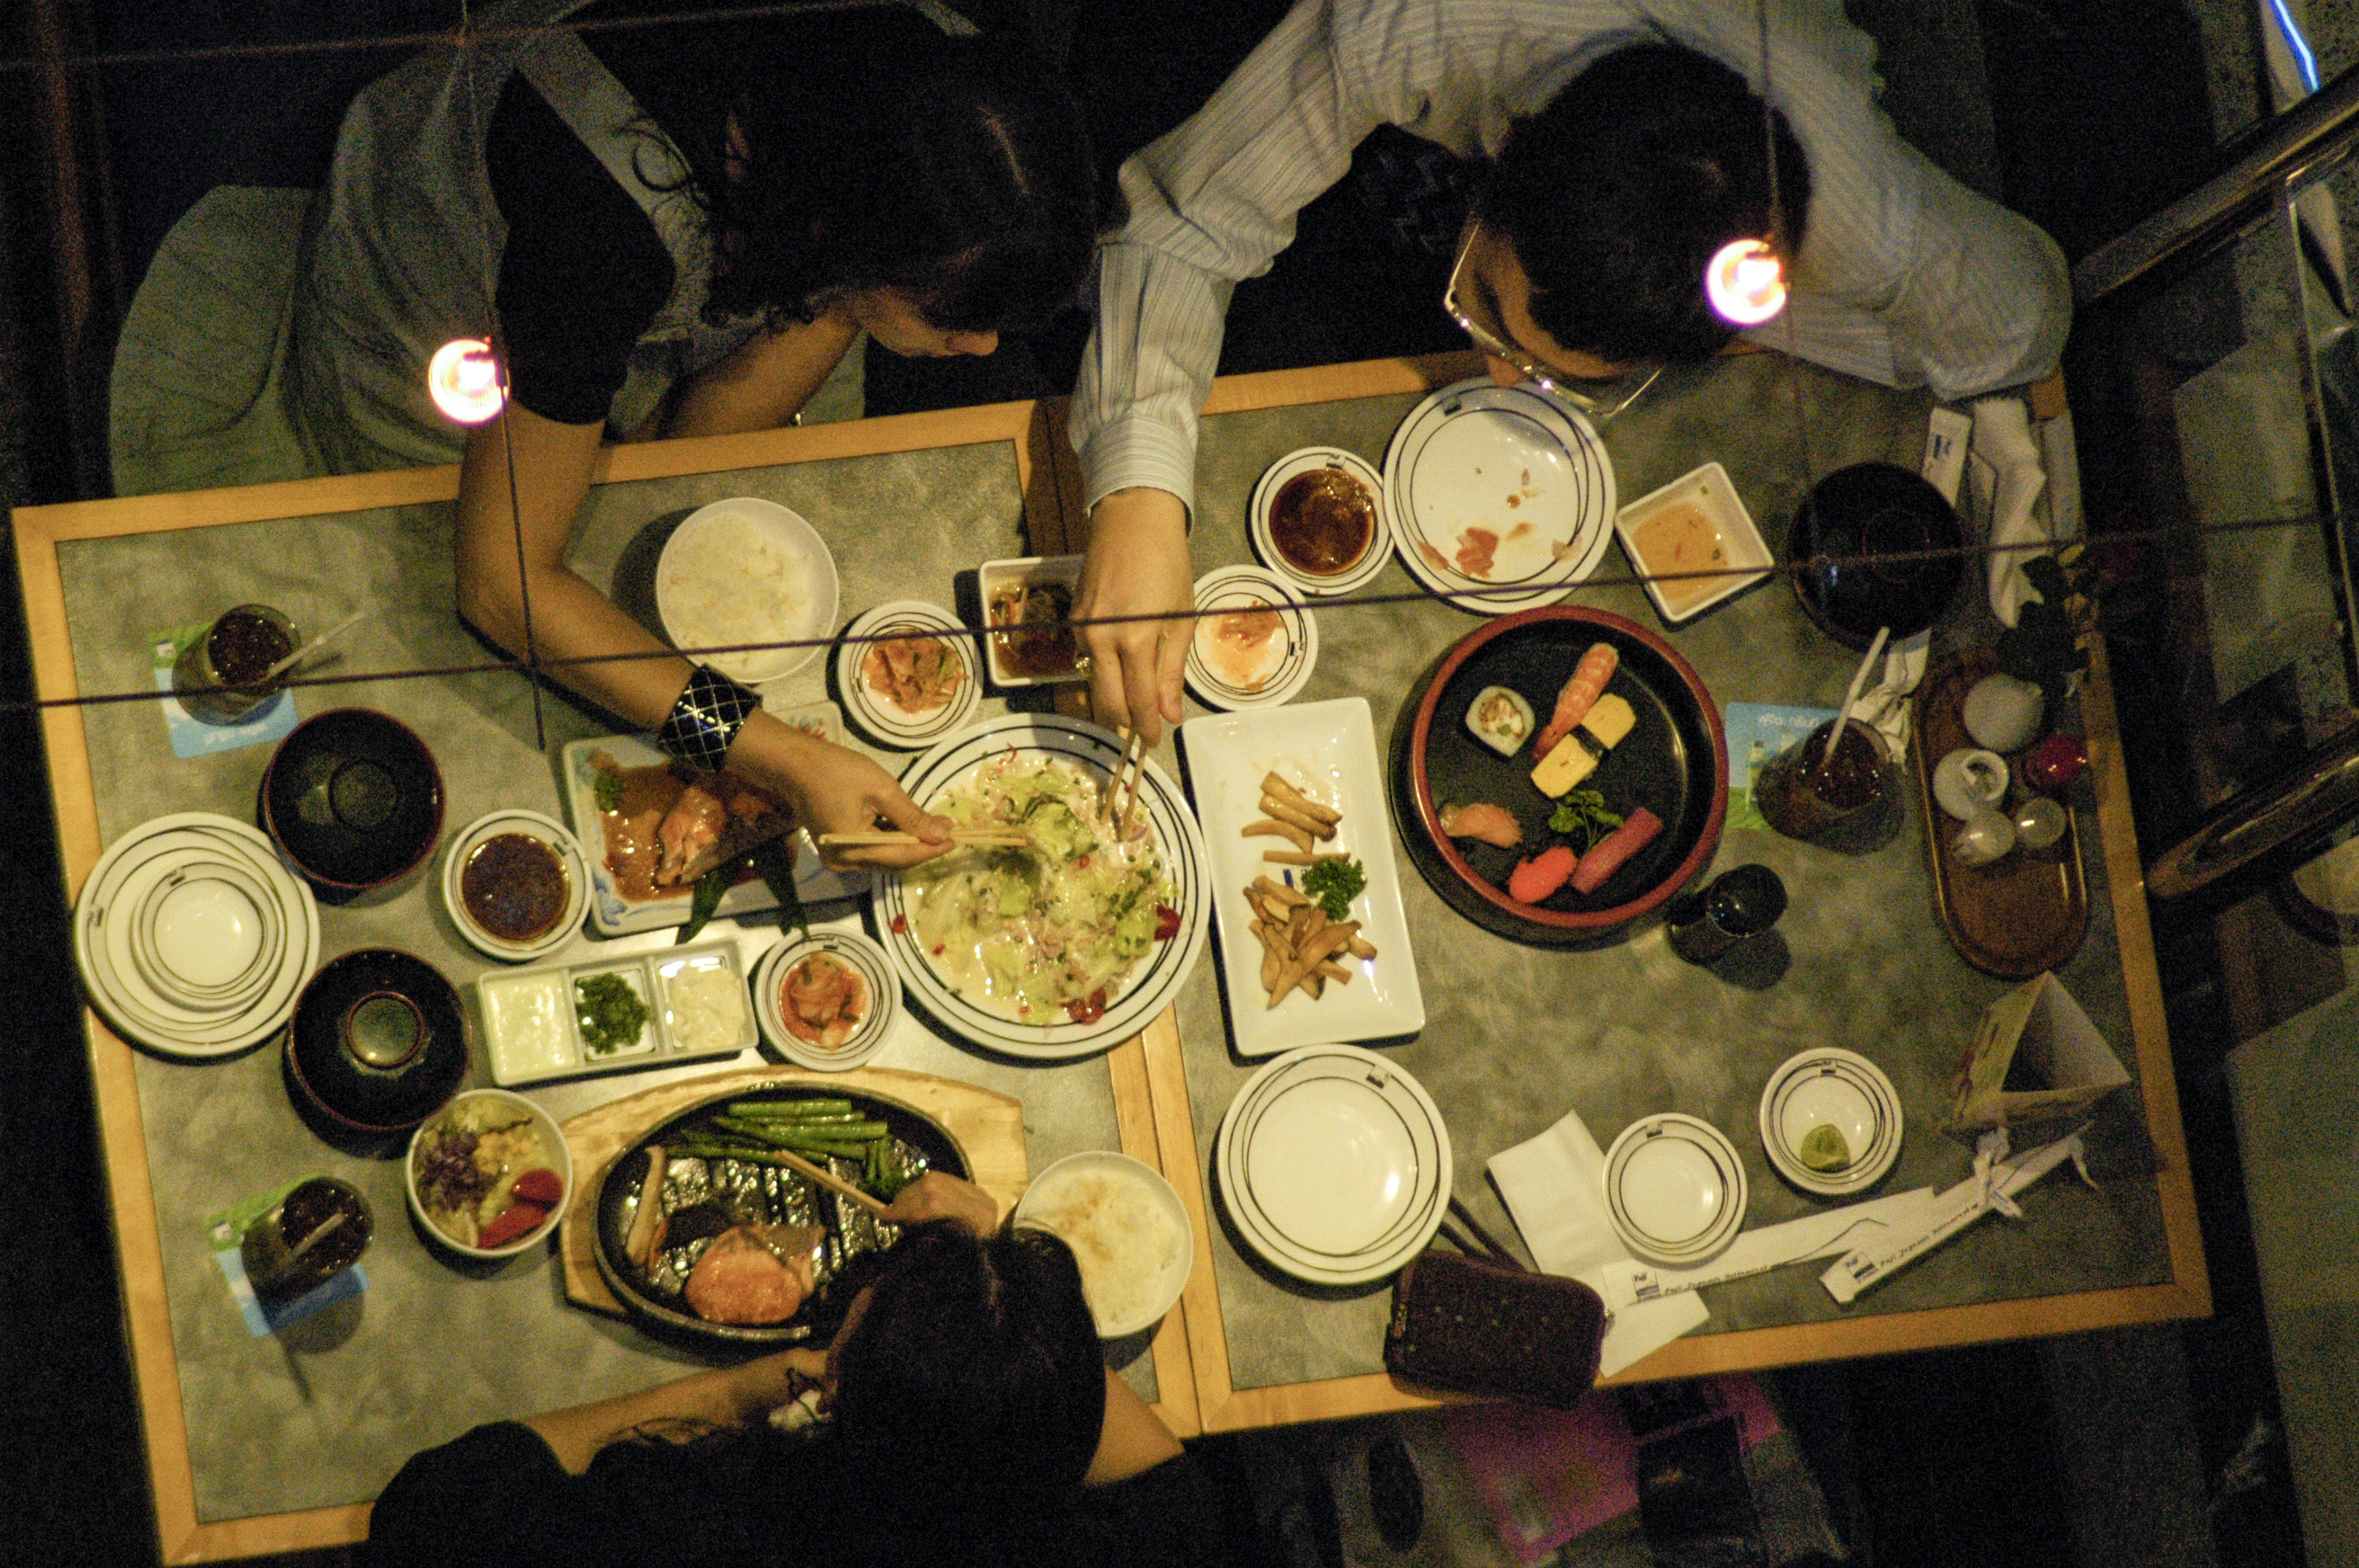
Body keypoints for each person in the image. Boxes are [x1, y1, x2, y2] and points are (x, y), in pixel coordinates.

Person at [111, 0, 1103, 869]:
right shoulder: (602, 210)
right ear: (855, 237)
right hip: (455, 303)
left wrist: (663, 479)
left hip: (689, 277)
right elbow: (500, 582)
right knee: (468, 620)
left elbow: (775, 351)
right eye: (956, 319)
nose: (980, 349)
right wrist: (778, 755)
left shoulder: (924, 95)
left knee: (656, 569)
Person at [1066, 0, 2074, 742]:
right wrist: (1138, 500)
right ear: (1501, 155)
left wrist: (1784, 309)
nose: (1501, 382)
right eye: (1483, 306)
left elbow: (2025, 324)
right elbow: (1194, 214)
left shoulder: (1858, 216)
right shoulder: (1427, 24)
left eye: (1564, 374)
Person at [361, 1173, 1229, 1566]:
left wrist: (735, 1389)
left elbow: (426, 1510)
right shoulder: (1142, 1539)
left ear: (833, 1395)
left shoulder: (700, 1520)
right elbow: (1121, 1442)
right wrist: (984, 1279)